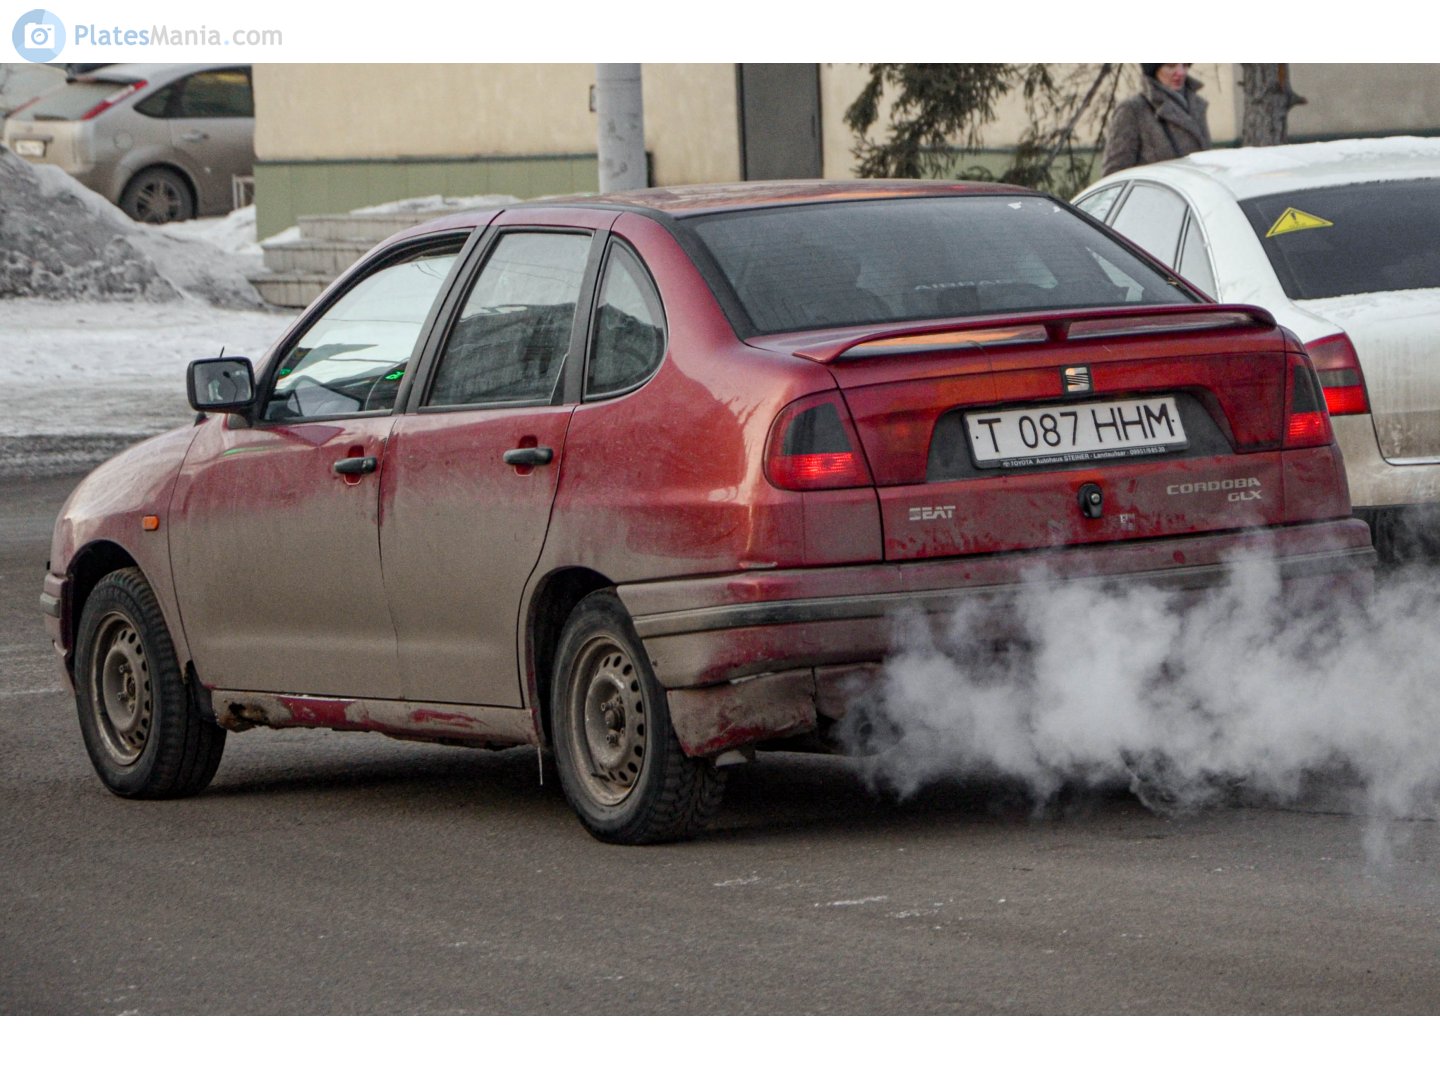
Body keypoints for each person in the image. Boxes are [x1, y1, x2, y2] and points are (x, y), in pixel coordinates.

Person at [1101, 64, 1212, 176]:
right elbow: (1114, 175)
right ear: (1154, 69)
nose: (1181, 72)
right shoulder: (1133, 110)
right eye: (1171, 66)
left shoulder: (1197, 106)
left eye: (1185, 65)